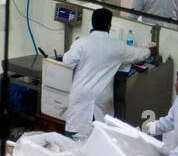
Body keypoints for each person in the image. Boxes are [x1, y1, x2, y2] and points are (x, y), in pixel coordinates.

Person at [61, 8, 154, 137]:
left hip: (81, 96)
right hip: (102, 99)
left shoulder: (81, 43)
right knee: (101, 140)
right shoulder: (116, 46)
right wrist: (149, 51)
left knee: (74, 141)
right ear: (109, 25)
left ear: (92, 23)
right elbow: (138, 54)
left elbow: (67, 61)